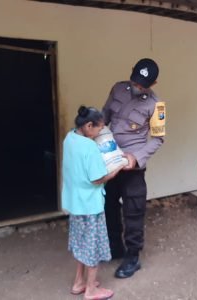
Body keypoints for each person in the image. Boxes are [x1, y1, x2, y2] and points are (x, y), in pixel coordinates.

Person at [102, 58, 166, 279]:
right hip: (110, 160)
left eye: (143, 84)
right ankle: (114, 247)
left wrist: (136, 158)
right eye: (136, 80)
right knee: (107, 204)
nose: (138, 86)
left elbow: (158, 139)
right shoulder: (118, 88)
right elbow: (104, 118)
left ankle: (132, 257)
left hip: (133, 167)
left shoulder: (156, 106)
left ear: (154, 82)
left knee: (134, 210)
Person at [62, 106, 121, 299]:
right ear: (89, 126)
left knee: (81, 244)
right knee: (93, 247)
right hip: (89, 205)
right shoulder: (89, 146)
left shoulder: (70, 138)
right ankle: (91, 290)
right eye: (98, 129)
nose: (99, 133)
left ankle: (79, 282)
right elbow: (97, 178)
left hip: (74, 202)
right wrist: (118, 167)